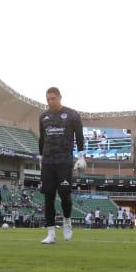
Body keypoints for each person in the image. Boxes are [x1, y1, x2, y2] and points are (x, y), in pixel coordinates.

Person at [38, 86, 86, 245]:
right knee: (48, 196)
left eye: (52, 98)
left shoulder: (72, 115)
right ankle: (51, 233)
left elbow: (79, 135)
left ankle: (67, 220)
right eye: (48, 99)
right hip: (48, 161)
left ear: (60, 97)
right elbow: (42, 139)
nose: (50, 102)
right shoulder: (43, 117)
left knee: (65, 194)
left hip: (64, 161)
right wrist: (40, 157)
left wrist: (81, 156)